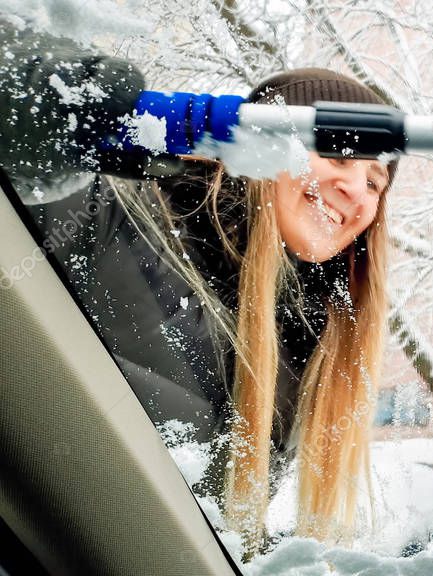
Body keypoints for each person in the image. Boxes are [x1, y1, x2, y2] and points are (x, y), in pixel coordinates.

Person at [0, 20, 396, 557]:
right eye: (338, 155)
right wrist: (74, 96)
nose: (355, 189)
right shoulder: (122, 217)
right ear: (262, 150)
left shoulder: (300, 360)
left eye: (375, 181)